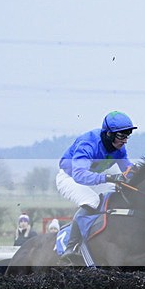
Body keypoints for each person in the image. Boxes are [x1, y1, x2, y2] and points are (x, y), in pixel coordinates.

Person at [56, 111, 136, 261]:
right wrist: (109, 177)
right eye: (121, 136)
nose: (125, 140)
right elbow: (79, 175)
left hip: (92, 179)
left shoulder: (119, 149)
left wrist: (136, 174)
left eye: (127, 135)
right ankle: (71, 247)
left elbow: (127, 170)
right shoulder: (88, 143)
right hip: (70, 177)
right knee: (92, 201)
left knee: (113, 197)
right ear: (108, 134)